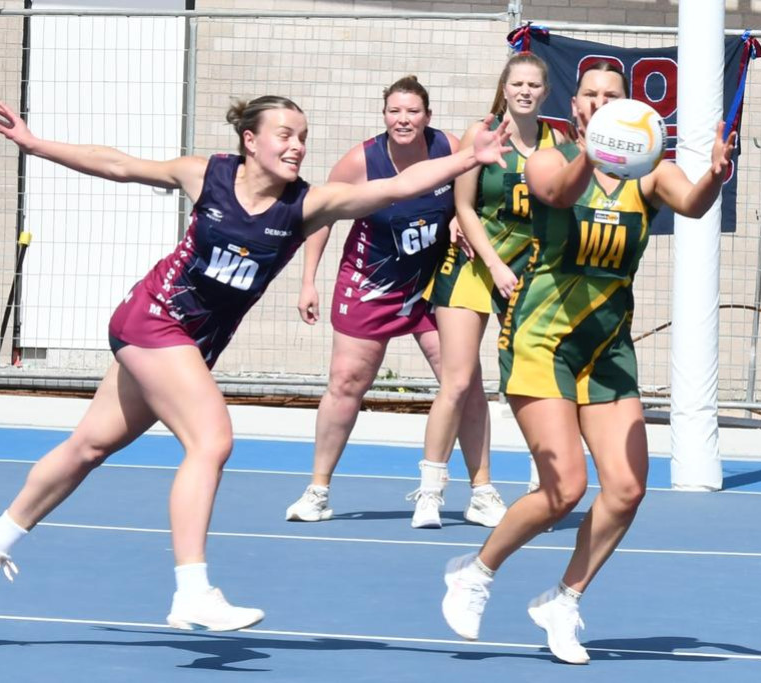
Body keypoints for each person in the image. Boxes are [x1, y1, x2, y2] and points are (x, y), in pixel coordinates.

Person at [0, 96, 511, 630]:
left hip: (194, 342)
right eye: (285, 135)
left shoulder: (305, 206)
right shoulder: (207, 176)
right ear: (250, 141)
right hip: (152, 318)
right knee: (212, 440)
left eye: (303, 137)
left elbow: (392, 187)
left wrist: (466, 157)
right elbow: (119, 164)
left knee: (89, 446)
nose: (297, 147)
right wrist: (34, 144)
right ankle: (192, 591)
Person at [440, 60, 737, 663]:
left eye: (613, 97)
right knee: (565, 487)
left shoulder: (650, 172)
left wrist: (714, 174)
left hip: (606, 348)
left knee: (627, 490)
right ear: (575, 106)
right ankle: (476, 570)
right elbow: (558, 193)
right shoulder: (549, 158)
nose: (600, 104)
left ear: (632, 109)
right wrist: (594, 151)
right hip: (541, 340)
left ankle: (564, 598)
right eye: (591, 96)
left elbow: (695, 206)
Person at [285, 76, 507, 529]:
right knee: (346, 382)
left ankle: (481, 491)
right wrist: (307, 279)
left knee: (463, 382)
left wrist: (457, 224)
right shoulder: (361, 160)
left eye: (412, 111)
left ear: (427, 116)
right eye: (394, 111)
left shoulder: (447, 146)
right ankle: (318, 489)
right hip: (371, 284)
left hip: (430, 286)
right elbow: (323, 215)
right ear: (384, 115)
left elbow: (471, 199)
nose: (403, 119)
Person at [419, 53, 563, 528]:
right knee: (458, 381)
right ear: (504, 87)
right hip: (477, 264)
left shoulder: (557, 142)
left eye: (533, 84)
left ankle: (542, 482)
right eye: (516, 83)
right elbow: (463, 207)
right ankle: (431, 489)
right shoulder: (479, 133)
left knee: (532, 380)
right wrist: (496, 263)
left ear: (544, 92)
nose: (524, 90)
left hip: (530, 269)